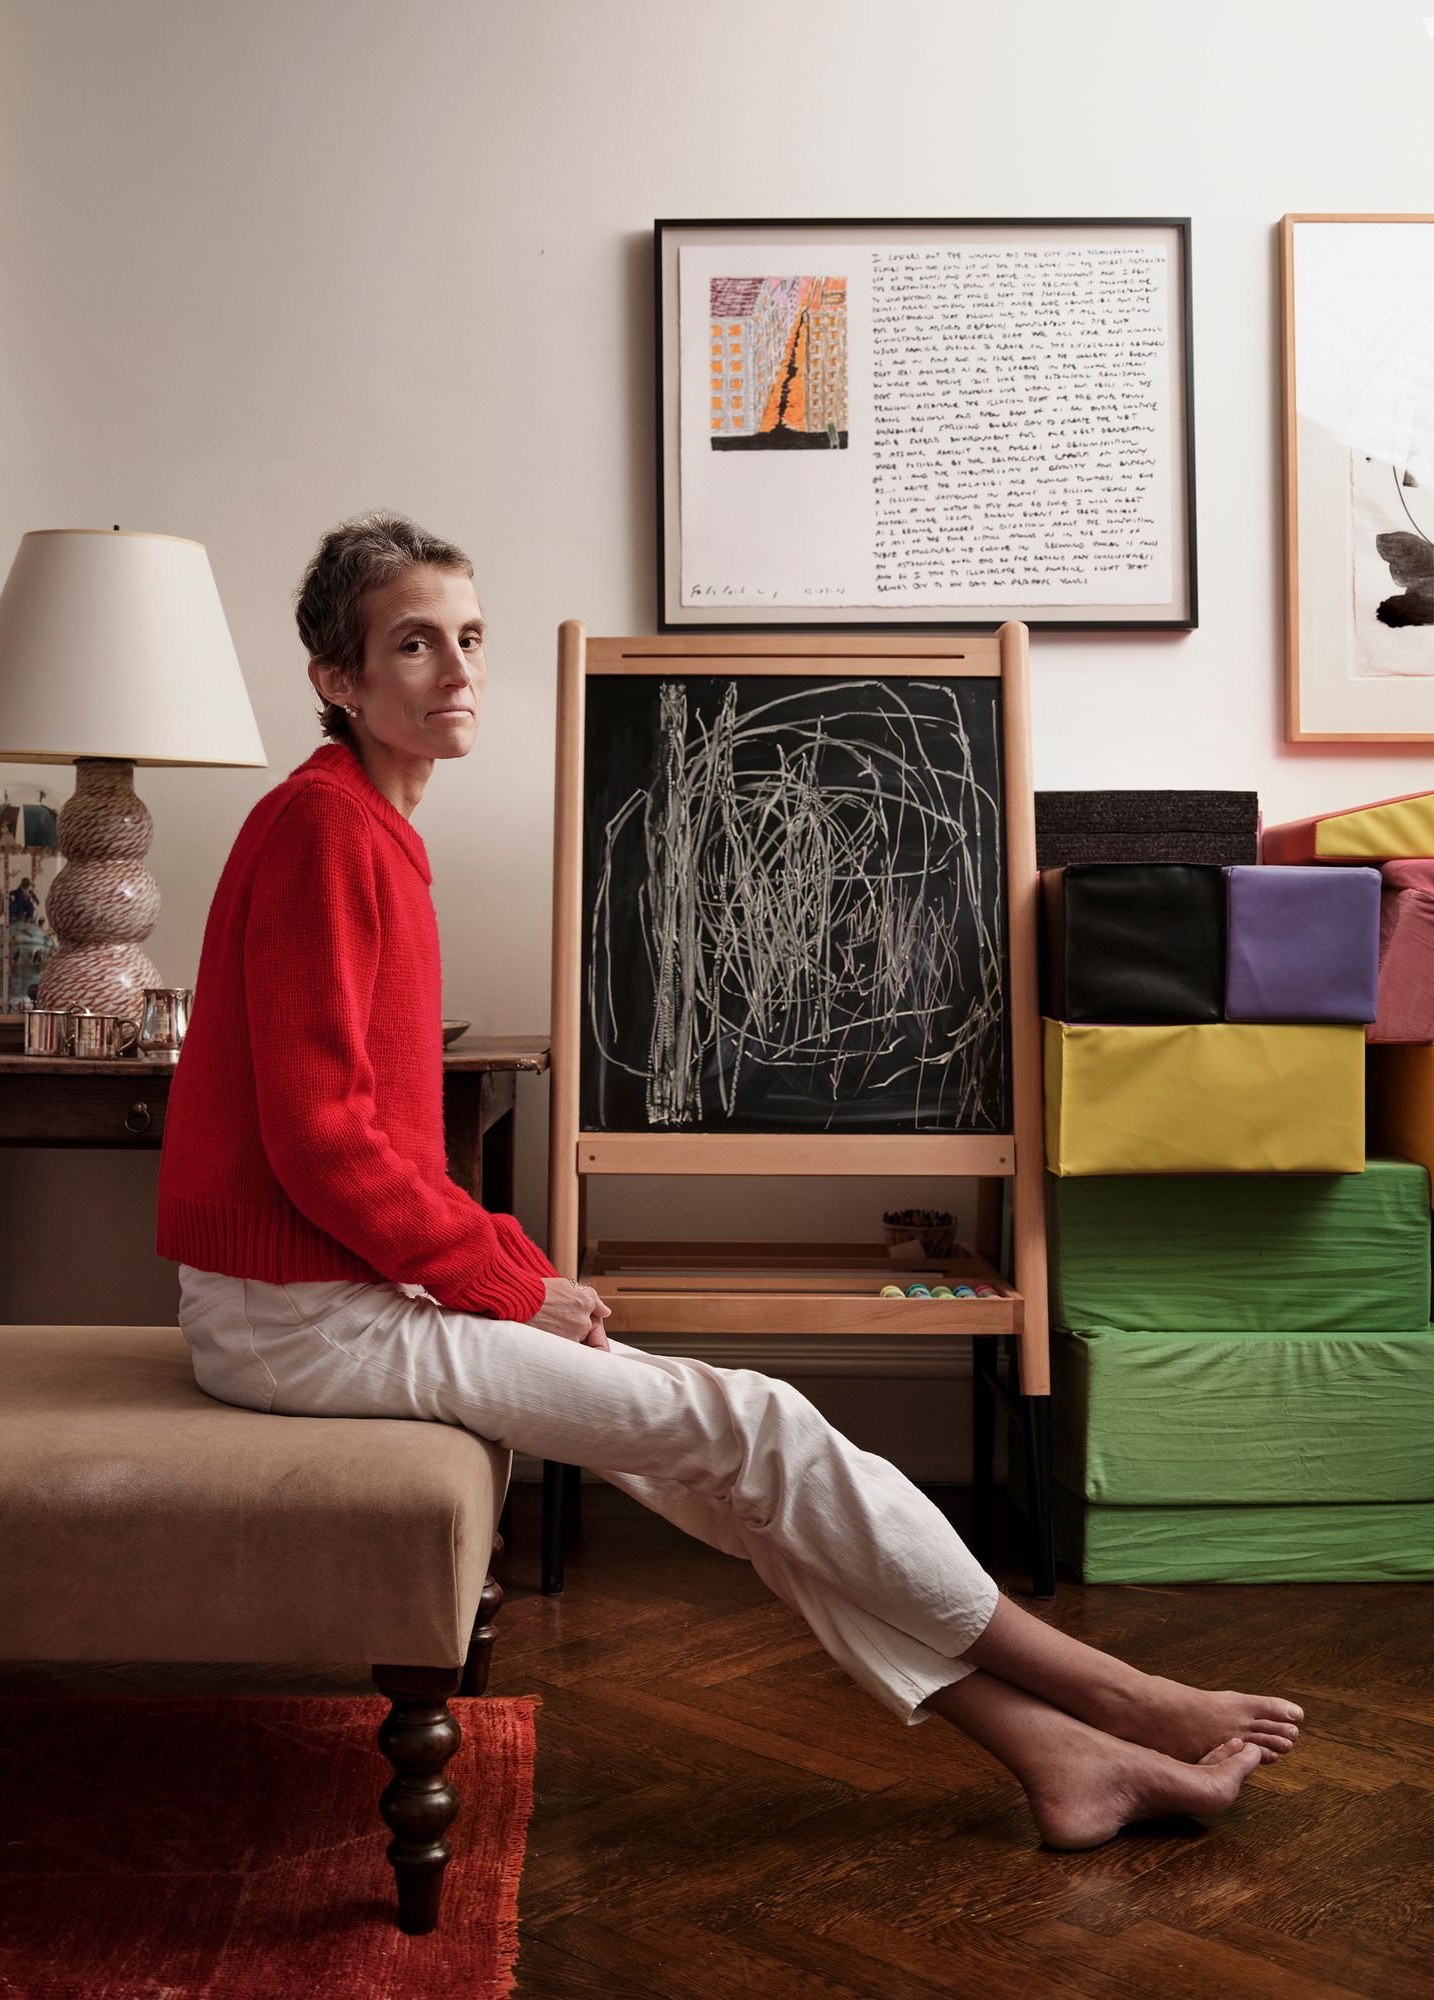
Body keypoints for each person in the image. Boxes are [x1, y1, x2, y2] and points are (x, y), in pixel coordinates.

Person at [155, 511, 1303, 1851]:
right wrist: (516, 1286)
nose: (457, 669)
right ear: (336, 680)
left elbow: (366, 1146)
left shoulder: (367, 826)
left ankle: (1058, 1753)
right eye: (412, 643)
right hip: (297, 1319)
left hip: (325, 1297)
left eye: (469, 637)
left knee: (732, 1473)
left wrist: (505, 1278)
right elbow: (325, 1140)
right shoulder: (325, 830)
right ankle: (1129, 1698)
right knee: (759, 1429)